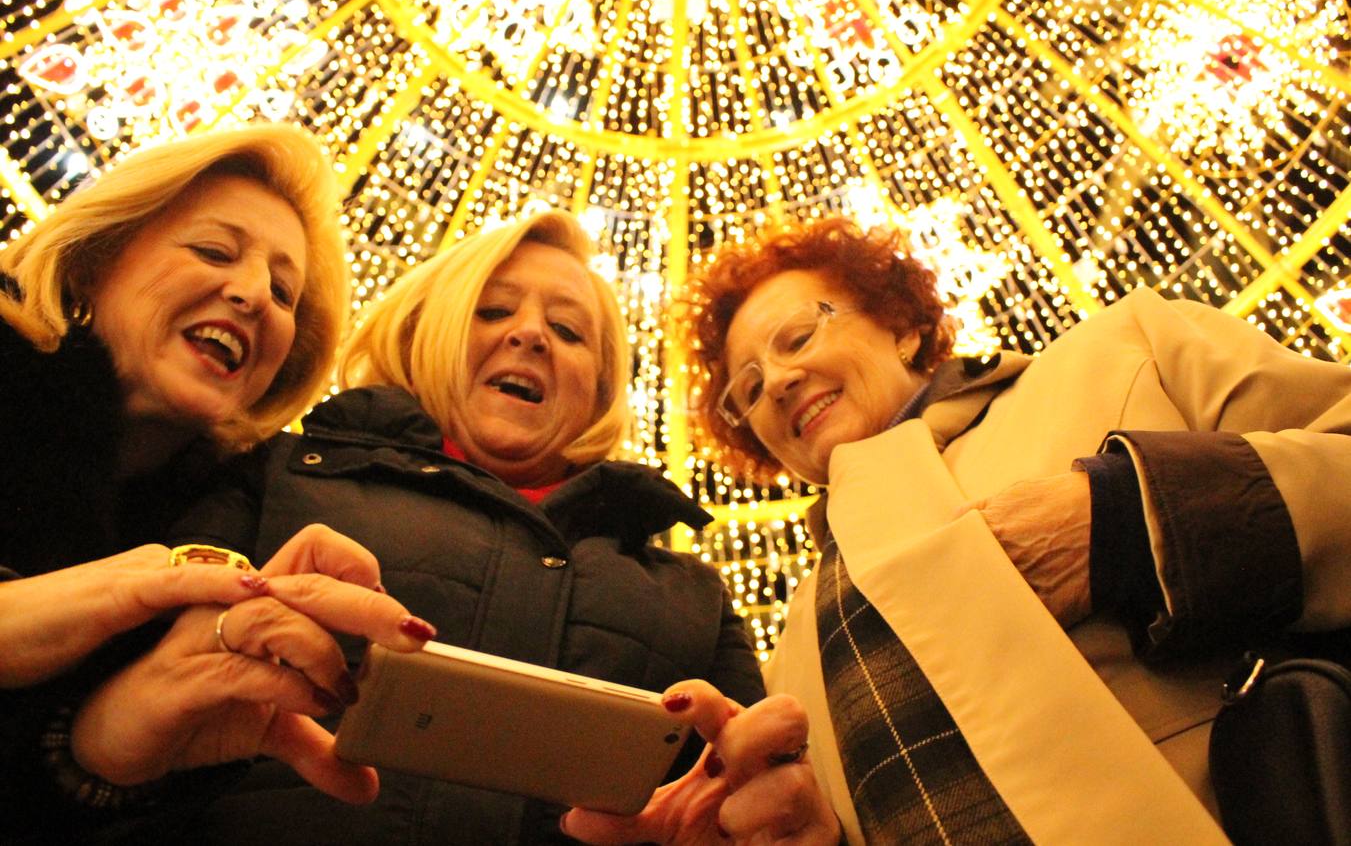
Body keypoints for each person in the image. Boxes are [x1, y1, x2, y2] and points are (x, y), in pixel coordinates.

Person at [564, 215, 1351, 844]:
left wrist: (1129, 519)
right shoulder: (796, 642)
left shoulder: (1124, 350)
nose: (775, 380)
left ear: (900, 325)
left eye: (797, 338)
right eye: (746, 388)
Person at [145, 208, 764, 844]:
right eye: (493, 311)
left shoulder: (695, 597)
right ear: (426, 335)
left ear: (600, 386)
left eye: (568, 331)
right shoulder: (277, 476)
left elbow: (753, 792)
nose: (530, 335)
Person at [0, 125, 438, 843]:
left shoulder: (221, 532)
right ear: (91, 261)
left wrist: (97, 756)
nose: (253, 295)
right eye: (213, 251)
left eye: (283, 290)